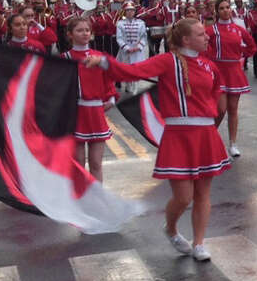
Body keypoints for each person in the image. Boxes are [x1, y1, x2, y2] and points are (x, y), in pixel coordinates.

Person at [86, 18, 230, 261]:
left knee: (204, 193)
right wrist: (103, 61)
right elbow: (131, 71)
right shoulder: (168, 61)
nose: (207, 37)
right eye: (200, 34)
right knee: (183, 197)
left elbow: (217, 93)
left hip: (205, 136)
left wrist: (213, 122)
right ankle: (171, 229)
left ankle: (199, 243)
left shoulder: (208, 65)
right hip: (178, 136)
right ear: (186, 40)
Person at [64, 16, 116, 180]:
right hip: (75, 113)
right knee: (78, 162)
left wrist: (111, 98)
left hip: (95, 112)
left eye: (87, 30)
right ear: (70, 34)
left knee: (96, 163)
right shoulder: (65, 58)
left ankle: (97, 200)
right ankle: (81, 199)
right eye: (79, 30)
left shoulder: (99, 56)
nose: (85, 33)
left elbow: (108, 80)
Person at [207, 0, 257, 156]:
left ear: (231, 9)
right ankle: (208, 136)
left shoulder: (239, 29)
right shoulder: (211, 30)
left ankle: (233, 144)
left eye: (227, 7)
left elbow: (252, 46)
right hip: (219, 72)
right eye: (221, 8)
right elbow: (202, 47)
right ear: (217, 11)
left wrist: (242, 57)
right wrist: (210, 61)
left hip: (234, 72)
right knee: (220, 109)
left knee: (233, 110)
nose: (225, 10)